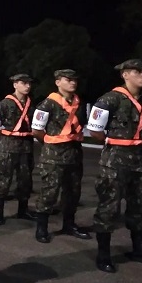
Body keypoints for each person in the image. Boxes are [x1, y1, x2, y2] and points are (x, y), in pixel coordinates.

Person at [87, 59, 142, 273]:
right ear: (125, 75)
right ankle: (103, 255)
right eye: (137, 72)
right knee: (109, 207)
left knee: (139, 206)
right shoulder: (110, 99)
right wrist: (114, 143)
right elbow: (95, 130)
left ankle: (140, 250)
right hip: (116, 162)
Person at [31, 69, 91, 243]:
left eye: (74, 80)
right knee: (49, 192)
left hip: (74, 153)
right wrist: (51, 143)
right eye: (68, 79)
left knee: (73, 192)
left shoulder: (79, 103)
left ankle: (69, 224)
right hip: (53, 156)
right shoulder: (47, 104)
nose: (73, 82)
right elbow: (36, 130)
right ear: (57, 82)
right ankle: (41, 228)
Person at [0, 74, 37, 225]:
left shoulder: (31, 103)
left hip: (26, 146)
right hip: (8, 146)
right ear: (15, 85)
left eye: (29, 83)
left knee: (25, 180)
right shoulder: (4, 104)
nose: (27, 86)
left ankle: (23, 210)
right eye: (23, 83)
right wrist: (4, 138)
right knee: (3, 179)